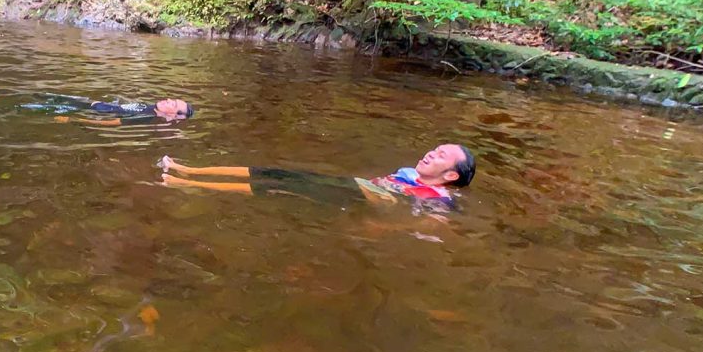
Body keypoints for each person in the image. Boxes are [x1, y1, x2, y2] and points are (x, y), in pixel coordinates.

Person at [158, 143, 475, 209]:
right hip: (350, 187)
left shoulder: (441, 200)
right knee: (274, 174)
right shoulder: (408, 172)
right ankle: (189, 169)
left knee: (275, 187)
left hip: (353, 195)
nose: (432, 152)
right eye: (436, 148)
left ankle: (186, 183)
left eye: (441, 155)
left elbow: (430, 228)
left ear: (449, 175)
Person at [24, 95, 194, 125]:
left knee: (30, 106)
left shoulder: (145, 117)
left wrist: (74, 120)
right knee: (39, 96)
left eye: (174, 105)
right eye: (173, 99)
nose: (169, 100)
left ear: (174, 115)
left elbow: (112, 122)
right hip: (89, 104)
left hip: (84, 110)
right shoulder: (152, 108)